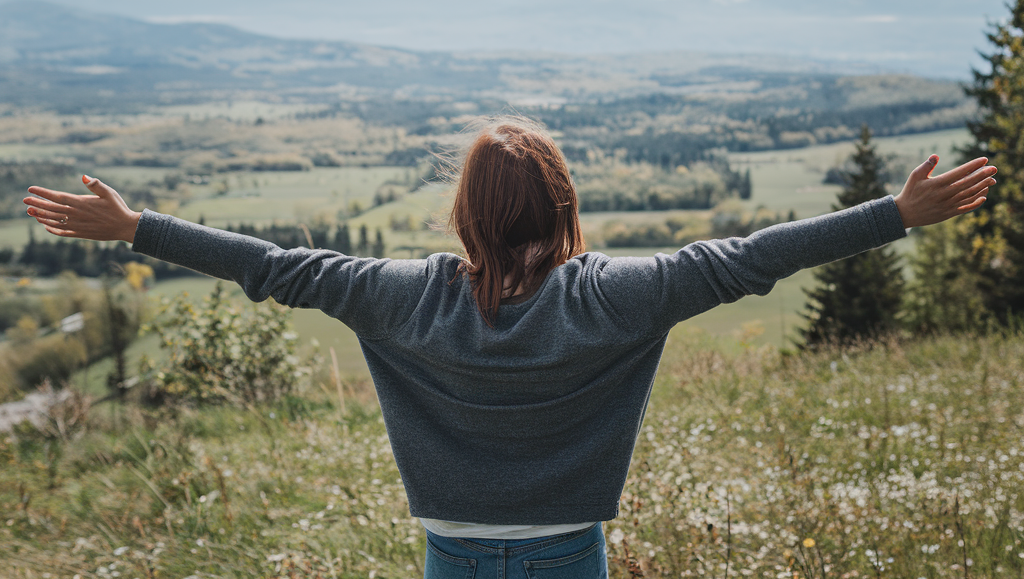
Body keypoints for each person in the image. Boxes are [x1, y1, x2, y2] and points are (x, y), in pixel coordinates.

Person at [24, 119, 997, 579]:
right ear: (564, 206)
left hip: (449, 550)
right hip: (568, 552)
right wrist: (894, 214)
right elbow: (751, 258)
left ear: (463, 214)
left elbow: (271, 266)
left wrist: (139, 228)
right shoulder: (619, 295)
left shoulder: (394, 295)